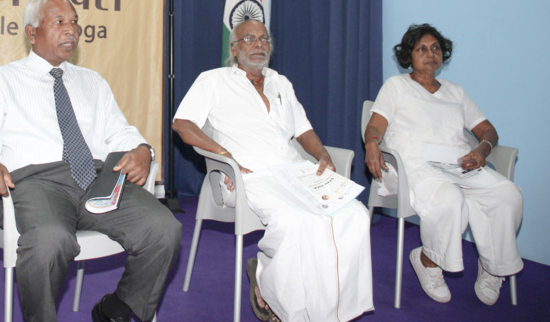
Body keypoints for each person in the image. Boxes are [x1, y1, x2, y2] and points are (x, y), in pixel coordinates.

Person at [0, 0, 180, 322]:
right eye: (60, 22)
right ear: (31, 33)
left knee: (164, 228)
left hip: (96, 182)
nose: (71, 30)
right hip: (34, 184)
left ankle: (116, 309)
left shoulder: (93, 82)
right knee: (50, 240)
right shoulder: (2, 80)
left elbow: (121, 134)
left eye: (75, 22)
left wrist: (143, 150)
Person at [173, 19, 373, 322]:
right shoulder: (213, 80)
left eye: (264, 39)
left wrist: (322, 155)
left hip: (295, 172)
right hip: (246, 175)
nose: (259, 45)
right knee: (294, 221)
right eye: (250, 39)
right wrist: (225, 155)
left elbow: (302, 130)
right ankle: (278, 300)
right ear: (234, 47)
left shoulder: (281, 82)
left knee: (354, 215)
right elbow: (183, 124)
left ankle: (333, 310)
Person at [364, 23, 523, 305]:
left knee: (507, 194)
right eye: (421, 48)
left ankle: (493, 267)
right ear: (408, 56)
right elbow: (375, 125)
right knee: (449, 199)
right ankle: (428, 261)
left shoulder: (456, 92)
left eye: (435, 48)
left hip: (459, 164)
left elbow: (488, 130)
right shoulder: (396, 86)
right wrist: (372, 144)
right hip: (415, 165)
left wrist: (483, 149)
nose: (430, 54)